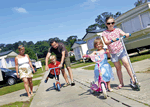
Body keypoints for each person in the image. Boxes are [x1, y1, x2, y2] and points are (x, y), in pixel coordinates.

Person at [102, 16, 135, 89]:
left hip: (121, 50)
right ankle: (121, 83)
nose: (111, 24)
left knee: (126, 63)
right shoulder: (104, 33)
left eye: (112, 23)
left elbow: (123, 34)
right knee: (118, 68)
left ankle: (133, 79)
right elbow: (106, 42)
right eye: (109, 23)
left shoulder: (117, 30)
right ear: (106, 24)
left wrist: (126, 34)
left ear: (114, 23)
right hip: (113, 53)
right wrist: (112, 40)